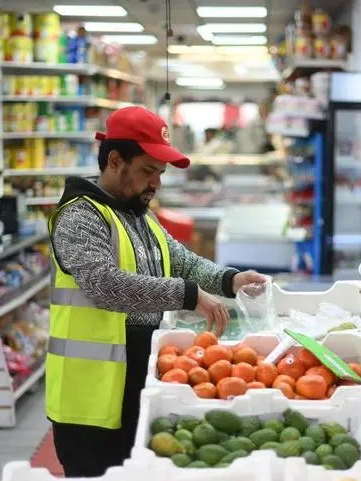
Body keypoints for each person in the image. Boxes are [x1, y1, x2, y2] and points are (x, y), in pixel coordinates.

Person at [46, 106, 266, 477]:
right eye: (148, 171)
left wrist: (230, 280)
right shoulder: (80, 216)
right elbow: (104, 285)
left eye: (160, 174)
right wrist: (188, 295)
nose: (156, 184)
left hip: (134, 376)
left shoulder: (136, 213)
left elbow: (180, 260)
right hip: (89, 397)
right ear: (116, 160)